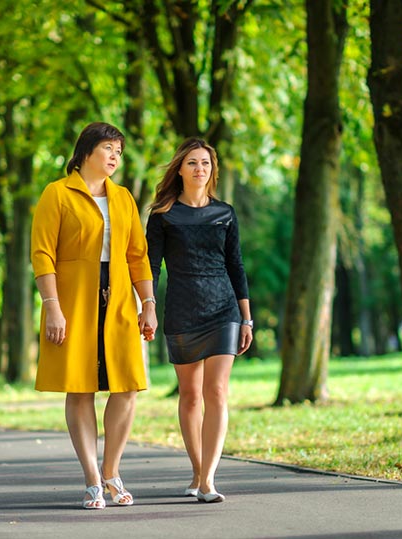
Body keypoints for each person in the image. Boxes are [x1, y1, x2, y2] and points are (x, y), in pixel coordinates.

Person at [30, 122, 158, 510]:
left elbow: (138, 255)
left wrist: (148, 303)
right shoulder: (57, 193)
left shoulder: (123, 198)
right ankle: (91, 480)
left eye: (119, 150)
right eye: (108, 148)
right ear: (86, 151)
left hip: (118, 298)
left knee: (128, 386)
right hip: (72, 300)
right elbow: (42, 253)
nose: (115, 156)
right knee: (80, 386)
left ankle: (111, 471)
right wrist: (52, 305)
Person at [146, 138, 253, 503]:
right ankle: (196, 469)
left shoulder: (225, 212)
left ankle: (208, 479)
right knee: (191, 397)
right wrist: (146, 306)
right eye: (192, 163)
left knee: (217, 391)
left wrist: (247, 318)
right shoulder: (163, 215)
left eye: (205, 163)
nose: (199, 169)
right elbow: (151, 267)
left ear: (212, 170)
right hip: (182, 310)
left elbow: (235, 265)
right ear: (180, 169)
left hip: (224, 310)